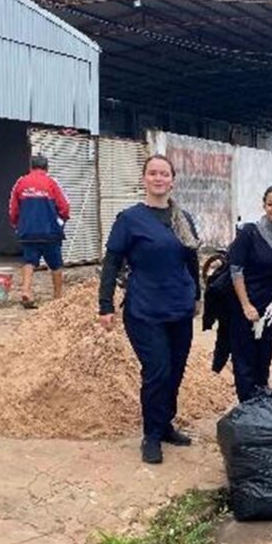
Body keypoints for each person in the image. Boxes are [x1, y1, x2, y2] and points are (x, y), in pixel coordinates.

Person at [98, 154, 200, 465]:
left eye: (164, 174)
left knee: (176, 371)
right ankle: (151, 435)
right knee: (157, 371)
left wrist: (197, 296)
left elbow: (192, 260)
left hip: (179, 307)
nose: (158, 178)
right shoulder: (129, 219)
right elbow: (111, 262)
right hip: (144, 309)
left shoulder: (183, 218)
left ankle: (165, 424)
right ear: (144, 179)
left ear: (172, 180)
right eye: (153, 173)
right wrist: (105, 305)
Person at [228, 185, 272, 402]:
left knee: (264, 359)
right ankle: (248, 408)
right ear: (264, 206)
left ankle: (261, 409)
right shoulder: (249, 233)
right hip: (244, 307)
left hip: (270, 309)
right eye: (271, 204)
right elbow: (236, 270)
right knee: (244, 363)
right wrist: (246, 305)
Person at [8, 154, 70, 307]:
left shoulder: (21, 183)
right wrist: (62, 220)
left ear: (31, 167)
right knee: (56, 265)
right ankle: (57, 297)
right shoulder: (51, 183)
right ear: (46, 168)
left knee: (29, 262)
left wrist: (16, 224)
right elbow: (64, 207)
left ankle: (26, 291)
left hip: (28, 231)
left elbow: (13, 209)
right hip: (50, 232)